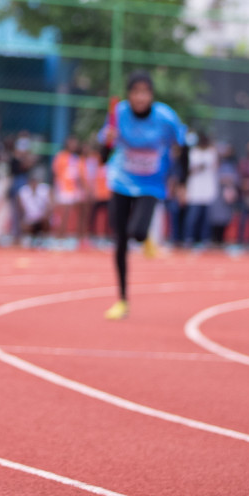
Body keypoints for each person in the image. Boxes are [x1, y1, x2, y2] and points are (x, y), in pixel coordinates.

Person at [98, 72, 186, 320]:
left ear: (151, 95)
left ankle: (145, 237)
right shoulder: (118, 114)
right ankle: (122, 300)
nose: (140, 97)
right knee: (120, 241)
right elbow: (102, 158)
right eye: (135, 92)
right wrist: (107, 142)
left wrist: (182, 182)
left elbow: (184, 146)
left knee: (137, 232)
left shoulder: (165, 118)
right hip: (122, 182)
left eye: (144, 92)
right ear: (129, 95)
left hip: (152, 185)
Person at [183, 132, 219, 246]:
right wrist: (199, 167)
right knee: (193, 217)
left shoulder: (212, 152)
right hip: (195, 190)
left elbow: (215, 167)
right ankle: (188, 237)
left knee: (206, 218)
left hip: (208, 189)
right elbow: (188, 170)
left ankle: (205, 239)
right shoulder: (194, 153)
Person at [52, 136, 88, 246]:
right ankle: (59, 239)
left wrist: (84, 189)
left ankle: (81, 239)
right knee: (64, 214)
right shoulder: (61, 157)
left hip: (76, 189)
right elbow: (56, 173)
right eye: (71, 143)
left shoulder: (78, 159)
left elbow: (81, 176)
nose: (74, 145)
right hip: (65, 189)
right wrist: (57, 188)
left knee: (81, 213)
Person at [209, 142, 239, 246]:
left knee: (224, 218)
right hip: (215, 194)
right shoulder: (214, 164)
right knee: (213, 218)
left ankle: (221, 239)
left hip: (226, 196)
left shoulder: (231, 164)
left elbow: (234, 178)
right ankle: (213, 239)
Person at [18, 170, 52, 247]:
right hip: (30, 218)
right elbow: (21, 208)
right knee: (24, 223)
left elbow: (50, 205)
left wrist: (45, 214)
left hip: (42, 217)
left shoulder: (44, 190)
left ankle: (44, 239)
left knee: (46, 221)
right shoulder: (24, 191)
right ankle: (29, 238)